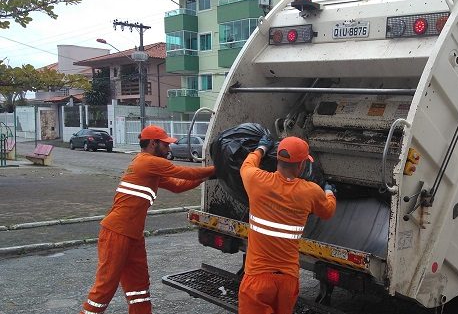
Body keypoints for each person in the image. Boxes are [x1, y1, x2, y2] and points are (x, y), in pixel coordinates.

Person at [79, 125, 216, 314]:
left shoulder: (150, 168)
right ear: (153, 143)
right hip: (117, 232)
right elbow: (185, 172)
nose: (169, 149)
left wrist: (207, 177)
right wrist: (216, 169)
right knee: (105, 288)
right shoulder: (148, 162)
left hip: (132, 234)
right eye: (165, 145)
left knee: (139, 286)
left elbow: (178, 186)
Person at [238, 135, 336, 314]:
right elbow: (328, 211)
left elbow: (247, 166)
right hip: (287, 281)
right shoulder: (310, 192)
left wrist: (261, 149)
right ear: (302, 165)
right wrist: (329, 192)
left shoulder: (256, 180)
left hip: (257, 278)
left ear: (277, 159)